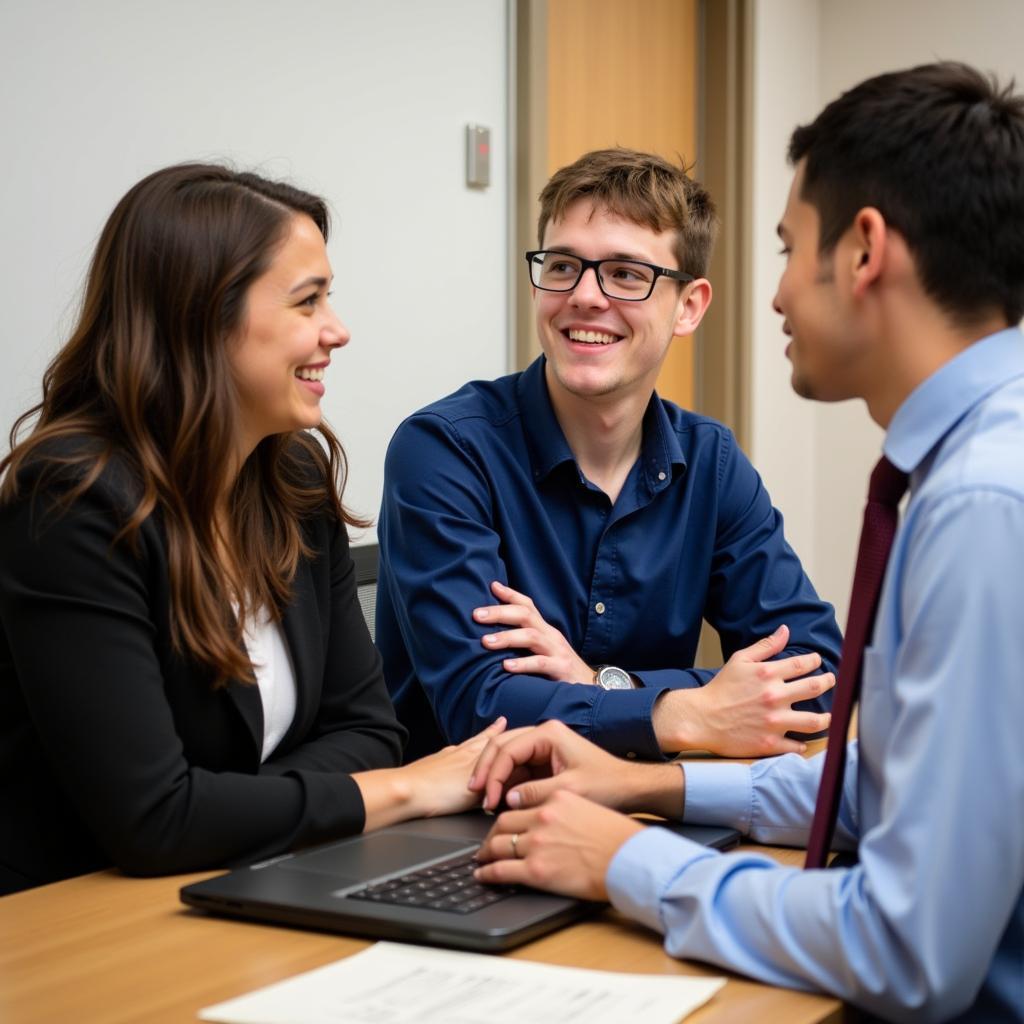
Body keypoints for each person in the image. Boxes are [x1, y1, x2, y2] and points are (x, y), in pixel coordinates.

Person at [469, 62, 1024, 1023]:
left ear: (862, 253)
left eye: (787, 248)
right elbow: (897, 785)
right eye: (562, 266)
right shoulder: (979, 468)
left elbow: (908, 950)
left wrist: (631, 853)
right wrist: (662, 770)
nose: (774, 297)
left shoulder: (983, 502)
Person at [0, 163, 505, 896]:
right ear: (203, 316)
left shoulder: (292, 478)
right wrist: (409, 790)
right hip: (79, 916)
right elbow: (154, 821)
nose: (338, 330)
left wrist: (224, 804)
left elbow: (371, 731)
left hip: (258, 877)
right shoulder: (69, 503)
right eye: (308, 301)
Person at [377, 148, 840, 764]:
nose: (586, 297)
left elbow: (817, 676)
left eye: (626, 274)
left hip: (642, 804)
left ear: (690, 306)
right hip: (463, 825)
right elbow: (480, 706)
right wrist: (690, 710)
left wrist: (603, 684)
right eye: (563, 265)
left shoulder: (711, 463)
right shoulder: (445, 451)